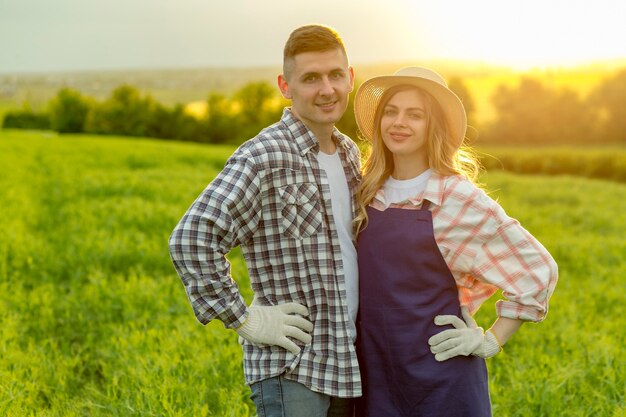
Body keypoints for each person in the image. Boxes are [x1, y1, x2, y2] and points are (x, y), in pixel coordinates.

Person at [168, 24, 361, 416]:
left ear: (350, 77)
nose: (327, 89)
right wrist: (244, 319)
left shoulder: (350, 154)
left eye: (335, 75)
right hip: (291, 366)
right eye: (310, 78)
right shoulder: (264, 155)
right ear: (285, 86)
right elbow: (191, 237)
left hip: (347, 363)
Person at [352, 67, 558, 416]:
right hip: (374, 374)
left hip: (441, 376)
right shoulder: (364, 190)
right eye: (391, 111)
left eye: (414, 115)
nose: (399, 122)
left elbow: (537, 271)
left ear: (434, 126)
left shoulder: (455, 197)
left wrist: (490, 340)